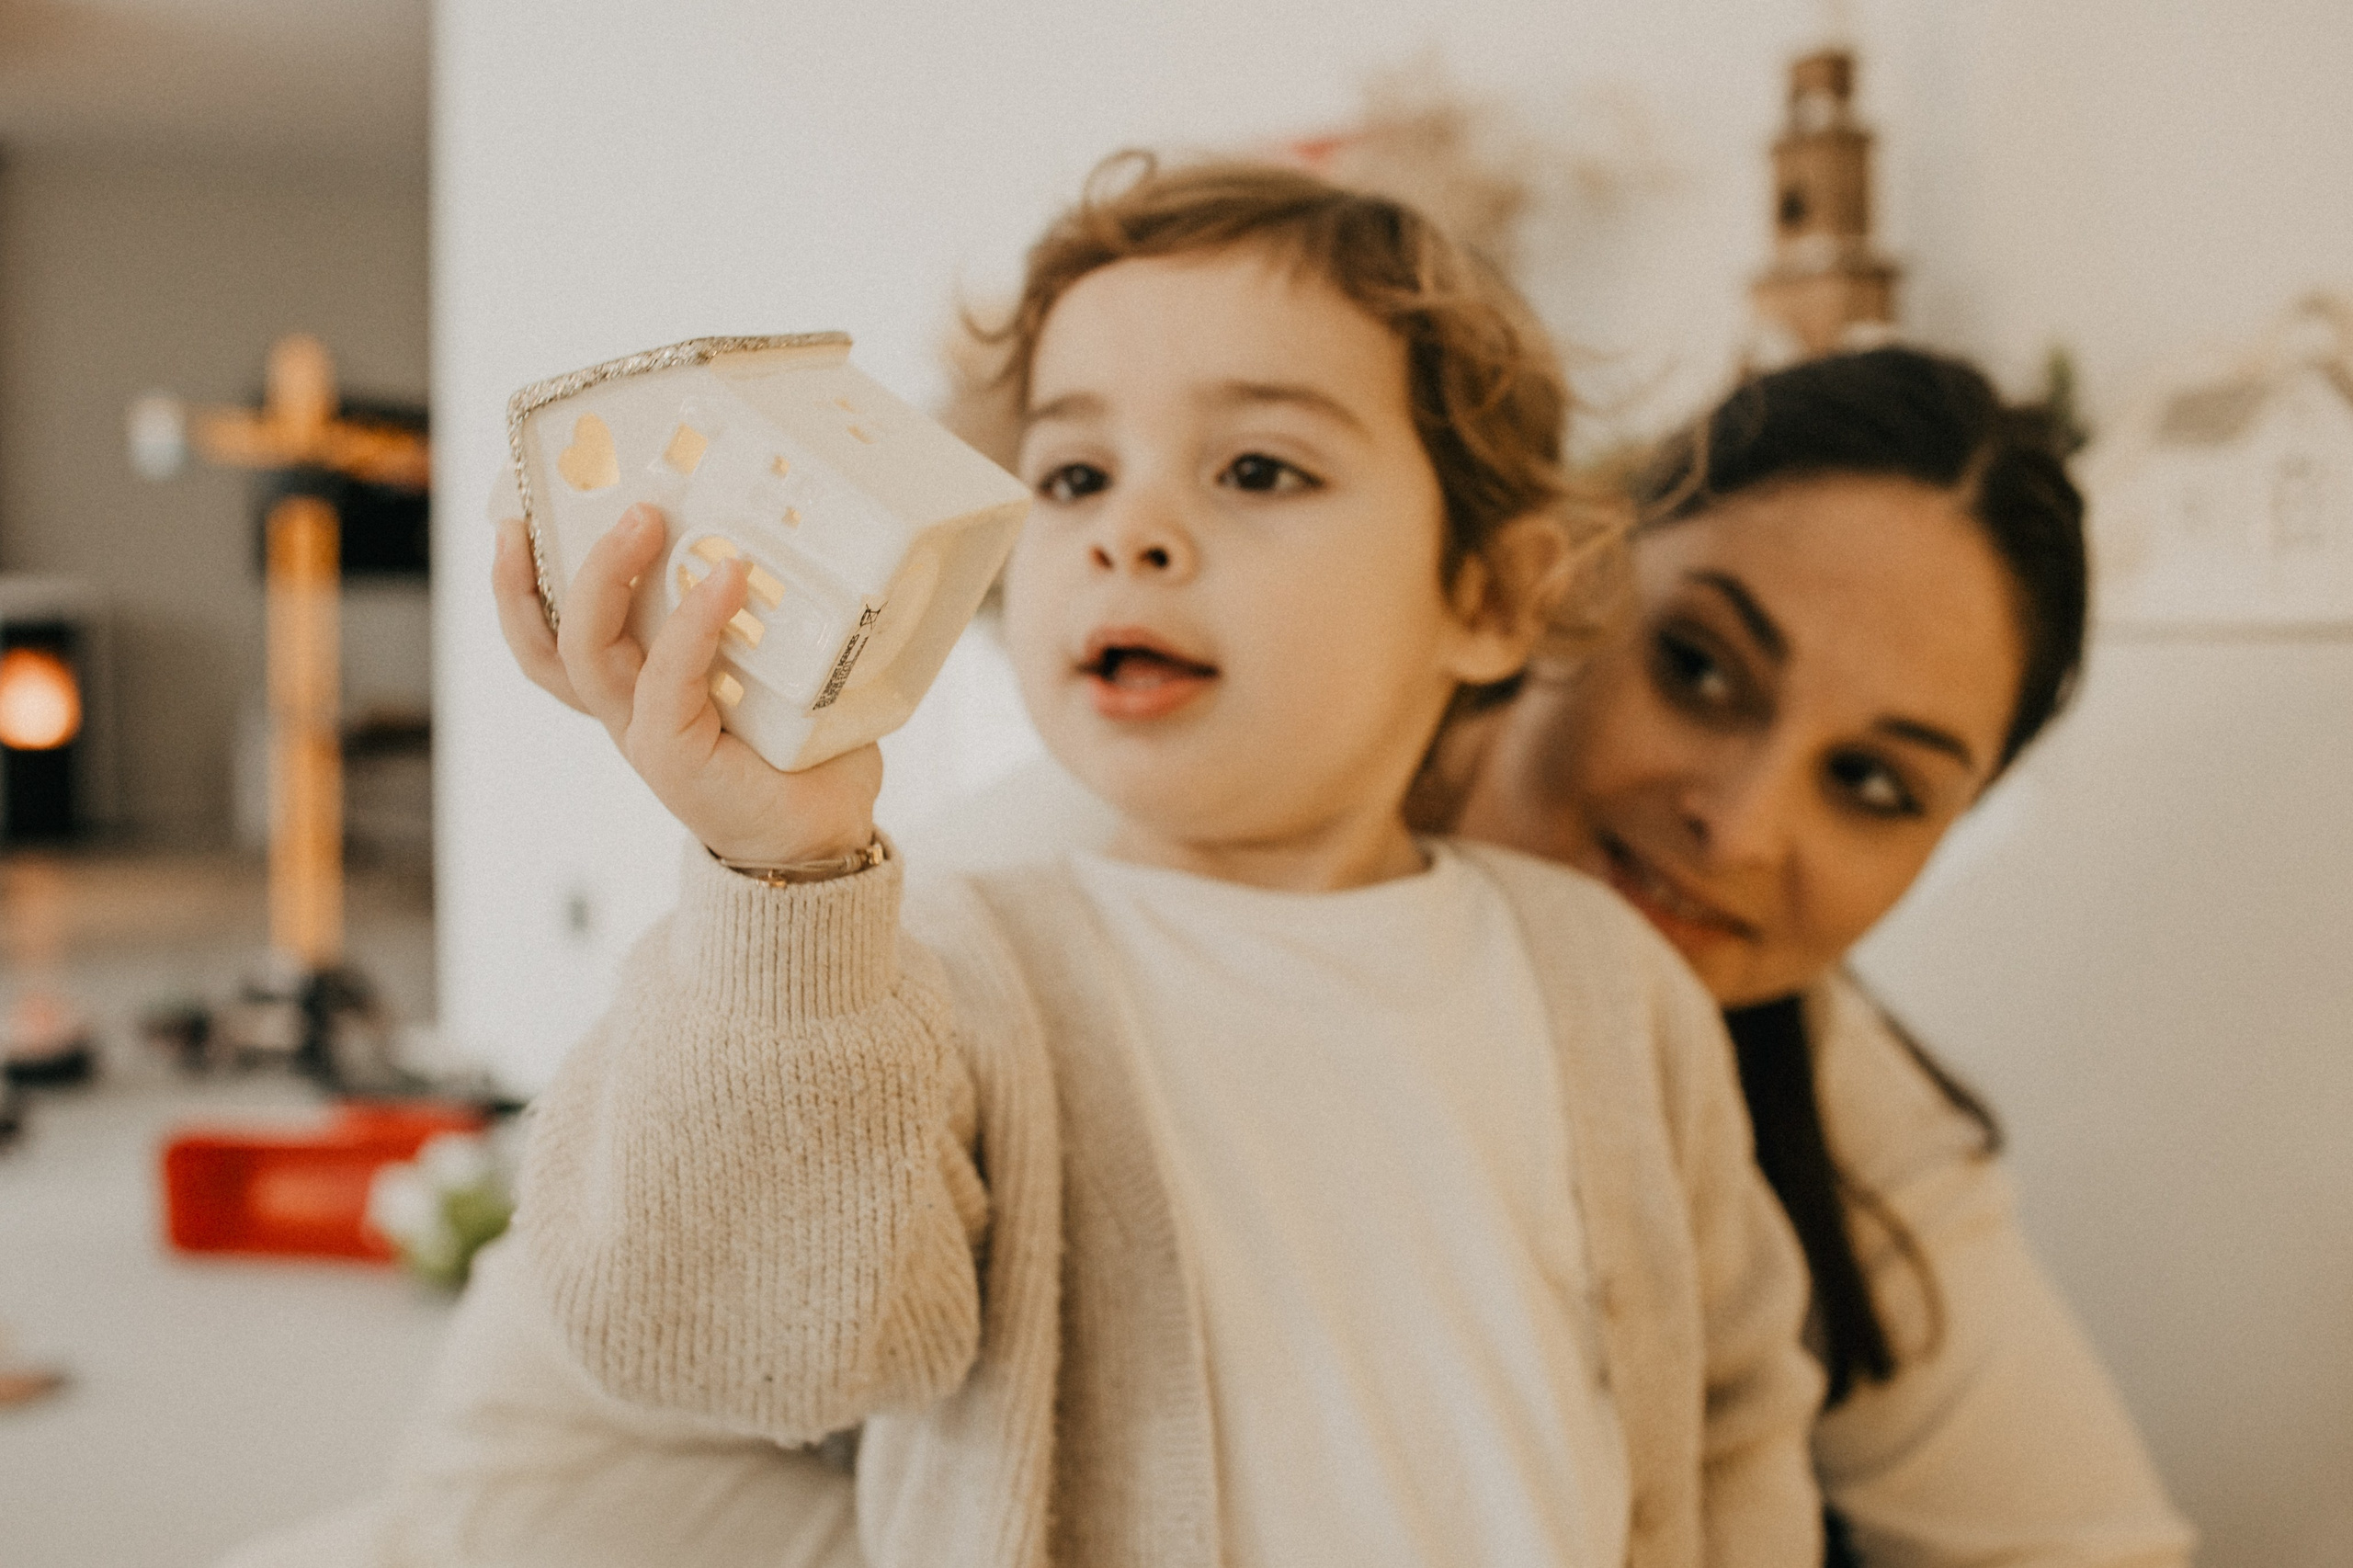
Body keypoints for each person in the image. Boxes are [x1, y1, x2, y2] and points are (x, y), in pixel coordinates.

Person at [243, 156, 1826, 1568]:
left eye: (1258, 468)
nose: (1127, 533)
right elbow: (753, 1341)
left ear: (1489, 593)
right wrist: (777, 880)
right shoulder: (946, 973)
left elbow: (1740, 1401)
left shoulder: (1605, 980)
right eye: (1075, 476)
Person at [1427, 347, 2196, 1568]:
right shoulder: (1136, 884)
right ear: (1568, 565)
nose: (1740, 826)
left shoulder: (1827, 1112)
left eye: (1872, 783)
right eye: (1699, 665)